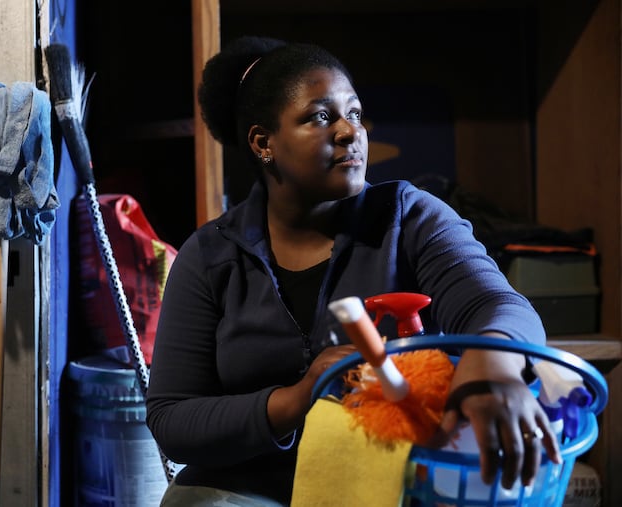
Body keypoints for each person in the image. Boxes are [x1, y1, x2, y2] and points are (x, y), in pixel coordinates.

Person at [145, 35, 561, 506]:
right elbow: (172, 419)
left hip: (394, 475)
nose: (350, 131)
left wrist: (493, 368)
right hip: (250, 487)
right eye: (321, 117)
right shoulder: (210, 256)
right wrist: (298, 396)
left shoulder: (410, 217)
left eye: (356, 113)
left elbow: (497, 304)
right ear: (264, 142)